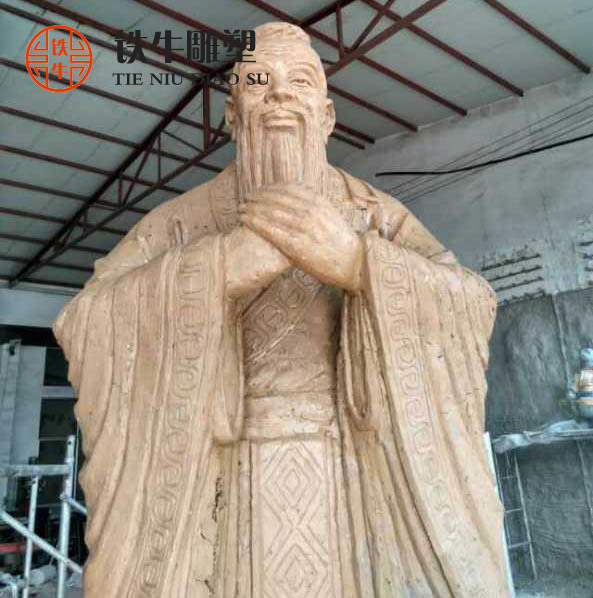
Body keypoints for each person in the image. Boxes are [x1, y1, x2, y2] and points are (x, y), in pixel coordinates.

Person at [54, 21, 509, 598]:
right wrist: (215, 270)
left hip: (354, 480)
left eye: (300, 81)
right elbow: (85, 319)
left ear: (327, 116)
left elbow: (471, 302)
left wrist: (359, 264)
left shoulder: (373, 214)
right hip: (223, 486)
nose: (279, 95)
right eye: (258, 82)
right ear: (232, 114)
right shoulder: (181, 222)